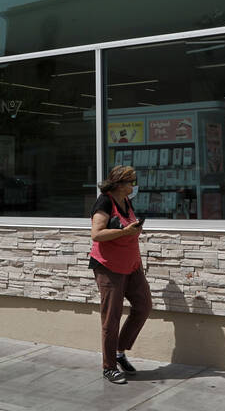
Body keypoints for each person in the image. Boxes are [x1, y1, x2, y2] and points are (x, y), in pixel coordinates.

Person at [89, 164, 151, 384]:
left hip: (132, 265)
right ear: (119, 183)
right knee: (111, 318)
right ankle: (109, 367)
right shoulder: (104, 202)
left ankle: (119, 351)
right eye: (130, 182)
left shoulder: (127, 201)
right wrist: (125, 231)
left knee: (143, 307)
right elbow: (96, 234)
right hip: (109, 267)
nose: (133, 186)